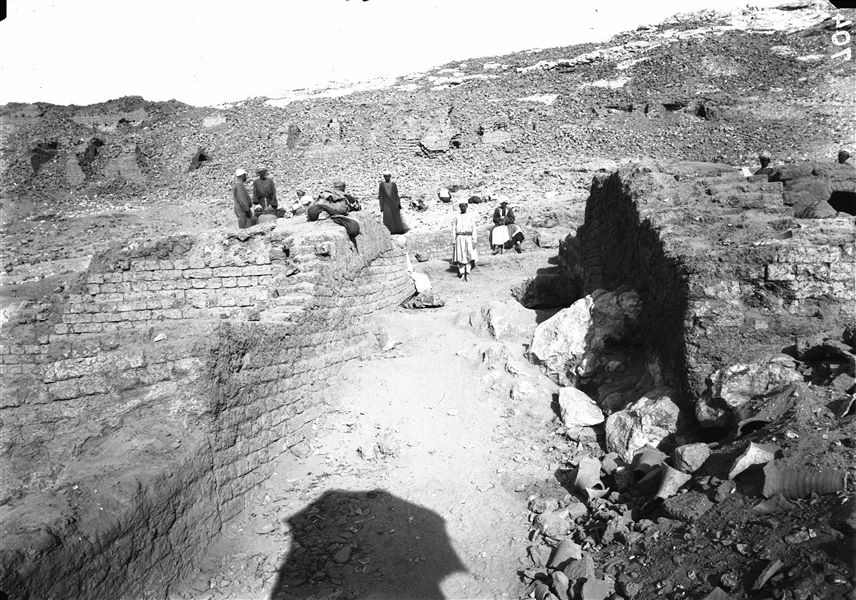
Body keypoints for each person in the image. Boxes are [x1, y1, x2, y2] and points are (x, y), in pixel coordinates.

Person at [452, 202, 477, 281]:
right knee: (461, 255)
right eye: (461, 206)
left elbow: (474, 228)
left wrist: (474, 240)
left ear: (467, 206)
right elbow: (453, 229)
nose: (463, 208)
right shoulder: (457, 217)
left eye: (464, 206)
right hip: (459, 237)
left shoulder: (470, 217)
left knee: (468, 255)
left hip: (468, 237)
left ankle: (468, 273)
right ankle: (462, 273)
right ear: (459, 207)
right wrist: (453, 240)